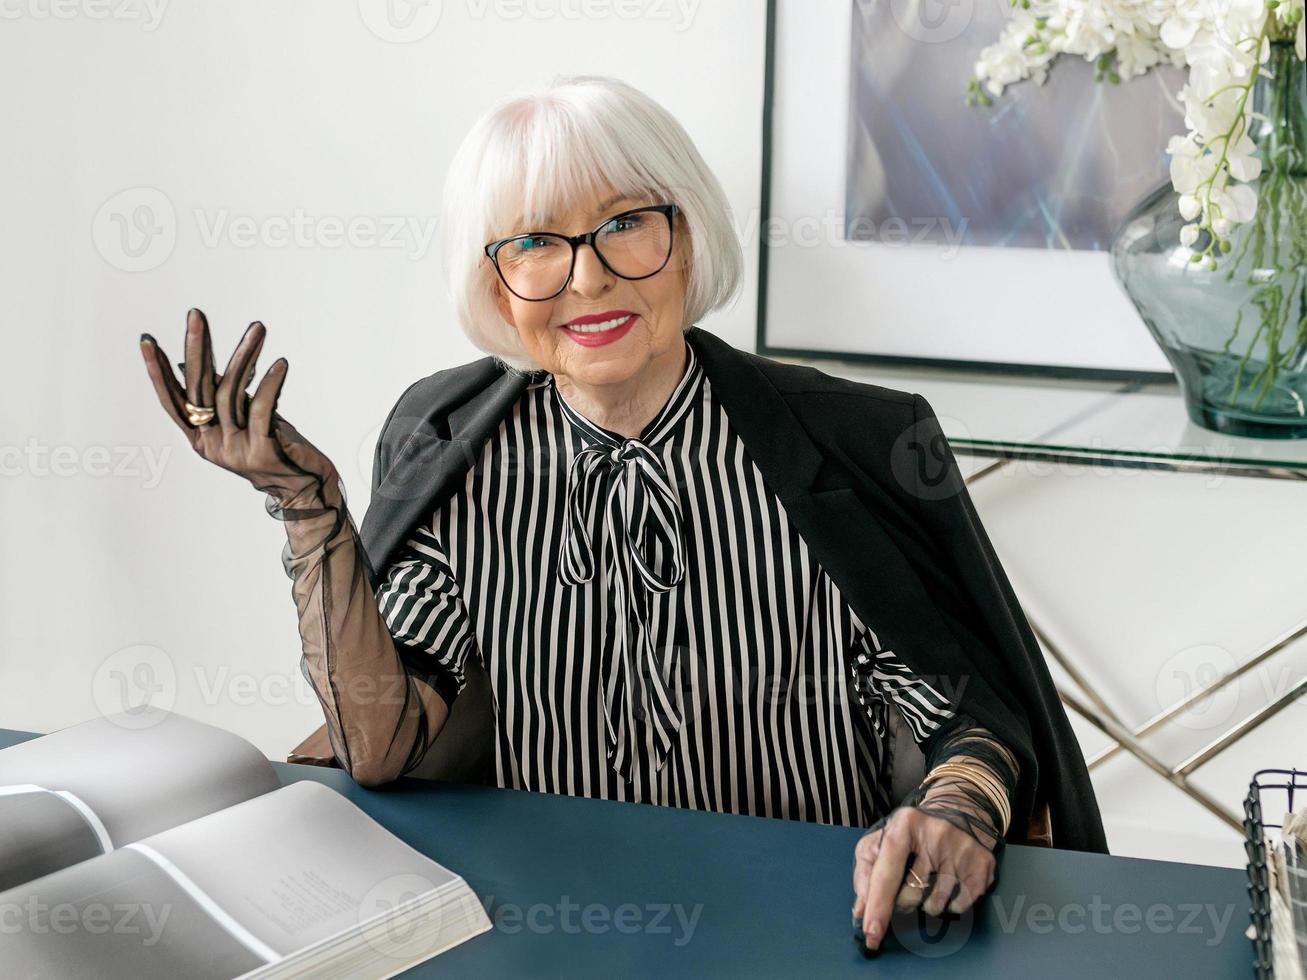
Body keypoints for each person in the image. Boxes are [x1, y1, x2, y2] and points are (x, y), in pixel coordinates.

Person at [138, 74, 1106, 954]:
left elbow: (961, 720)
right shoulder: (449, 444)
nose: (587, 277)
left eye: (625, 223)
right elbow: (383, 742)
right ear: (492, 281)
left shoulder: (848, 444)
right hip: (540, 923)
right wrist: (306, 511)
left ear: (687, 234)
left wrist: (957, 811)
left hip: (805, 925)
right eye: (532, 242)